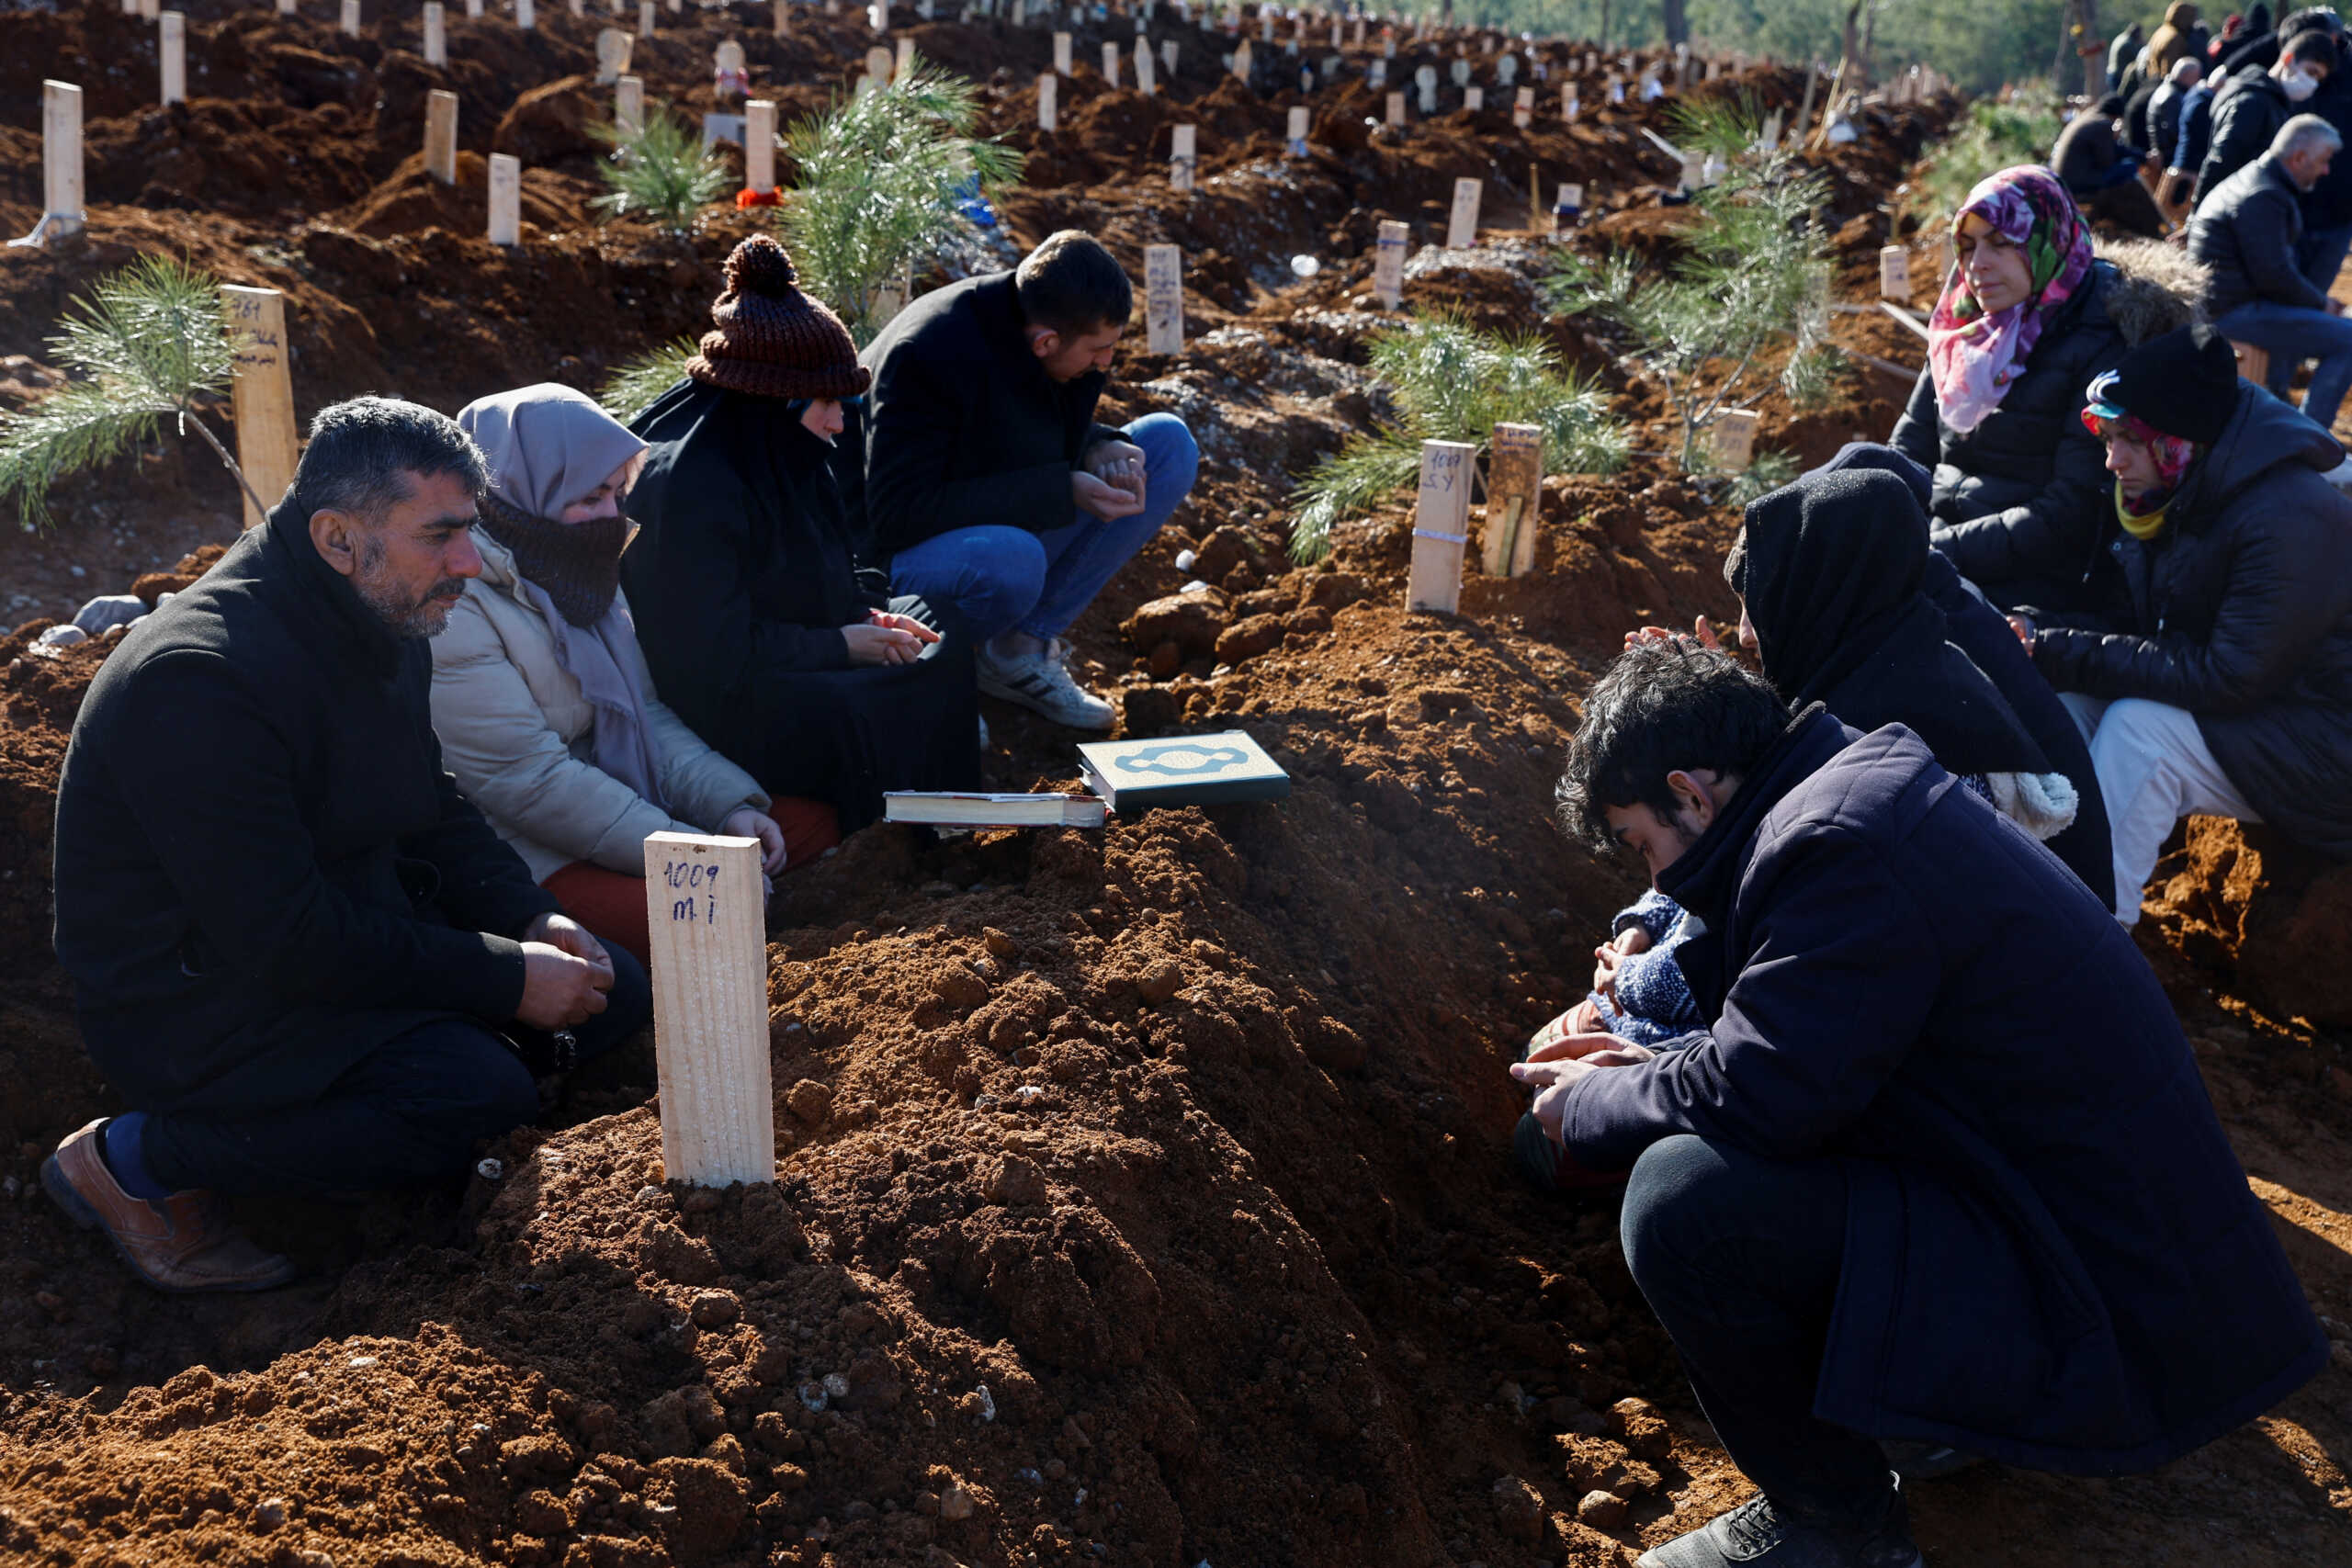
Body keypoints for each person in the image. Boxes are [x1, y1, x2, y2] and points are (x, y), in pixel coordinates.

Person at [1513, 639, 2326, 1568]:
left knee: (1680, 1204)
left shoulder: (1836, 845)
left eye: (1641, 845)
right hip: (2077, 1221)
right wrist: (1657, 1068)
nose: (1653, 881)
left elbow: (1763, 1096)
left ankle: (1834, 1526)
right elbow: (1815, 1046)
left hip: (2093, 1279)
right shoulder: (1849, 786)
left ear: (1691, 795)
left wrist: (1590, 1105)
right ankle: (1944, 1409)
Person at [45, 397, 651, 1293]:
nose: (470, 562)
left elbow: (432, 809)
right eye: (440, 535)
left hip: (340, 926)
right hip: (199, 1003)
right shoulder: (200, 681)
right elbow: (284, 938)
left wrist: (530, 918)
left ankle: (425, 1108)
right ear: (337, 539)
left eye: (470, 531)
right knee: (473, 1096)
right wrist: (502, 977)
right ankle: (135, 1160)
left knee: (616, 993)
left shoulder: (385, 612)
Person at [1551, 466, 2109, 1093]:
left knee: (1572, 1080)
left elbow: (1788, 965)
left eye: (1757, 604)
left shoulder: (1897, 742)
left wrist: (1627, 988)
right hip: (1867, 1022)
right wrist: (1645, 924)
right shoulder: (1880, 665)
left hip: (1967, 1063)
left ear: (1819, 593)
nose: (1742, 632)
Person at [431, 383, 832, 971]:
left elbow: (646, 714)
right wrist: (689, 852)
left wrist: (728, 807)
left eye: (618, 493)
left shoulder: (577, 570)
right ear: (519, 485)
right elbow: (530, 781)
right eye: (589, 496)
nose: (611, 517)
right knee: (711, 919)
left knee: (808, 828)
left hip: (623, 809)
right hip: (521, 850)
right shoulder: (455, 604)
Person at [622, 235, 980, 833]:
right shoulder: (691, 484)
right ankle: (888, 847)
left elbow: (827, 565)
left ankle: (951, 824)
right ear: (779, 401)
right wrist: (844, 644)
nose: (841, 421)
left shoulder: (783, 441)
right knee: (854, 705)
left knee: (940, 624)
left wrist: (866, 614)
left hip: (796, 637)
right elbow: (710, 657)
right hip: (723, 696)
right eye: (827, 403)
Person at [2023, 324, 2352, 922]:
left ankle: (2087, 936)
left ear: (2178, 439)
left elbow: (2230, 675)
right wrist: (2033, 634)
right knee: (2070, 702)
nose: (2110, 458)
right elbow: (2132, 626)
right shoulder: (2176, 488)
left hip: (2330, 742)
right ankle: (2025, 891)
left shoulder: (2291, 515)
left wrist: (2055, 646)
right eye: (2107, 436)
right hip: (2270, 711)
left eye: (2128, 440)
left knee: (2138, 732)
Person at [852, 230, 1200, 731]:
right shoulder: (929, 354)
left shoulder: (1043, 328)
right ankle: (929, 668)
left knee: (1165, 446)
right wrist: (1062, 489)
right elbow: (898, 513)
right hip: (877, 561)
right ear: (1045, 342)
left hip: (971, 515)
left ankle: (1015, 653)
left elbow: (1019, 427)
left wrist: (1098, 444)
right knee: (1012, 561)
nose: (1106, 363)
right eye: (1099, 350)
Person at [1891, 166, 2199, 614]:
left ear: (2047, 243)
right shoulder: (1963, 329)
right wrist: (1883, 526)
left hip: (2030, 581)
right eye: (1968, 245)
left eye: (2001, 244)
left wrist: (1930, 553)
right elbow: (1908, 448)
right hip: (1940, 550)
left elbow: (2066, 515)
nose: (1978, 265)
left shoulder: (2101, 338)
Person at [2189, 114, 2352, 426]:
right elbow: (2274, 276)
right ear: (2299, 157)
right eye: (2323, 160)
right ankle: (2311, 443)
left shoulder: (2257, 179)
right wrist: (2323, 305)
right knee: (2347, 339)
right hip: (2231, 311)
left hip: (2228, 303)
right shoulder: (2264, 194)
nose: (2326, 170)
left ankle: (2291, 427)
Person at [2192, 26, 2333, 198]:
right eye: (2311, 72)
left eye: (2318, 78)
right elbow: (2219, 162)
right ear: (2288, 59)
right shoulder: (2254, 102)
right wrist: (2199, 216)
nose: (2312, 83)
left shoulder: (2274, 102)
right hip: (2234, 208)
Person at [2052, 95, 2165, 235]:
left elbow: (2115, 150)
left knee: (2128, 166)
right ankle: (2158, 226)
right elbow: (2106, 161)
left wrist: (2142, 156)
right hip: (2080, 184)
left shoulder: (2088, 117)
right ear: (2117, 115)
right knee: (2130, 167)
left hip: (2067, 181)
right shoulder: (2102, 125)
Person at [2150, 54, 2206, 169]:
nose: (2198, 82)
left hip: (2165, 153)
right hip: (2168, 158)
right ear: (2186, 76)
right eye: (2197, 77)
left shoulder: (2167, 90)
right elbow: (2175, 131)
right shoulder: (2172, 97)